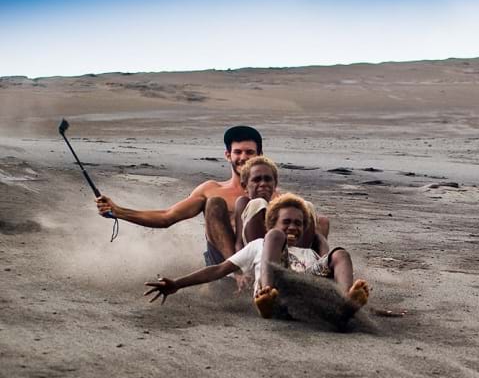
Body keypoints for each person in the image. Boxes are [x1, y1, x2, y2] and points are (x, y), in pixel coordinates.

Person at [144, 193, 369, 319]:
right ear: (272, 222)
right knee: (274, 237)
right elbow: (219, 269)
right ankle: (268, 296)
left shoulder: (309, 252)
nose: (293, 227)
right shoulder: (261, 244)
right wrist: (178, 284)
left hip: (307, 295)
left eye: (299, 223)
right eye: (287, 222)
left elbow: (329, 266)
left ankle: (345, 302)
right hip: (276, 293)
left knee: (339, 253)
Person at [96, 125, 262, 264]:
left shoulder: (275, 195)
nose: (243, 157)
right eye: (238, 152)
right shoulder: (211, 189)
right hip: (220, 267)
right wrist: (119, 211)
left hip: (257, 265)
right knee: (215, 203)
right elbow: (167, 217)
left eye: (249, 152)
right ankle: (233, 271)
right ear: (228, 155)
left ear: (259, 155)